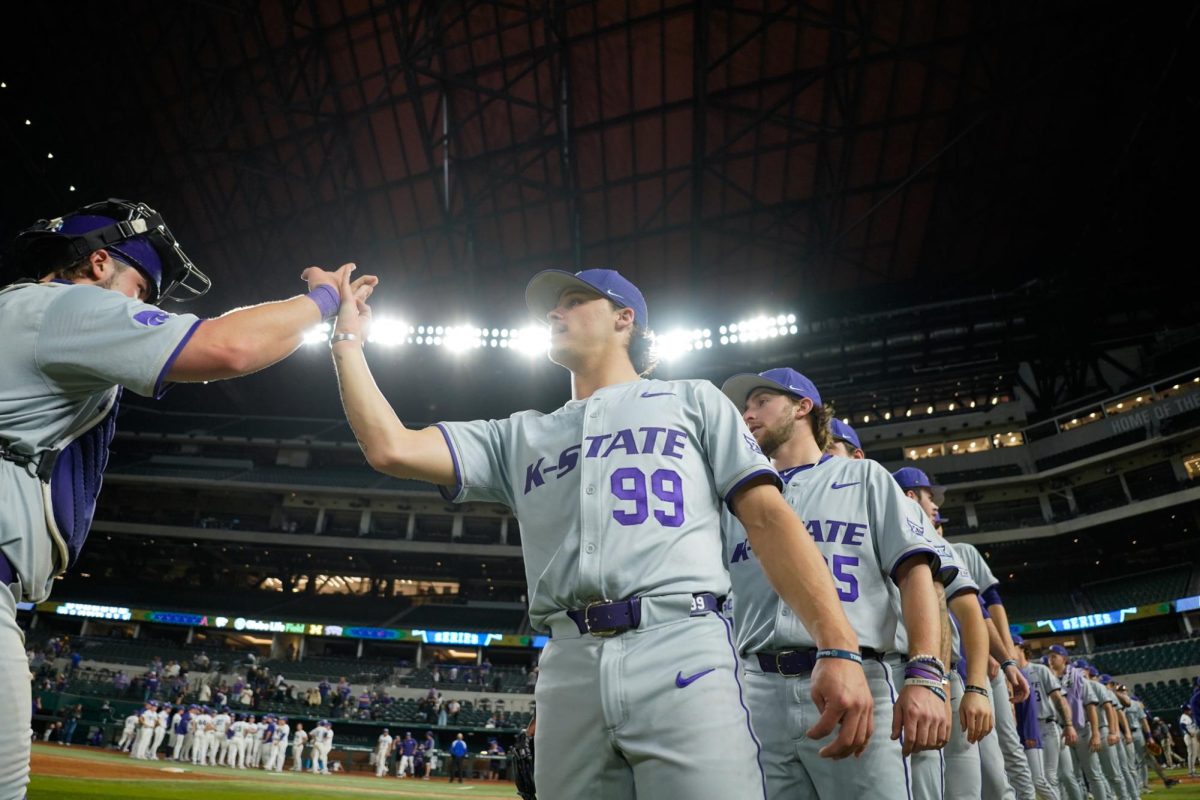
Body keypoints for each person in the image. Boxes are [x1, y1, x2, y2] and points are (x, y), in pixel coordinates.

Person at [329, 266, 873, 799]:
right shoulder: (520, 434)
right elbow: (390, 447)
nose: (554, 312)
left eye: (572, 300)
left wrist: (839, 645)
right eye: (554, 305)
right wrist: (347, 342)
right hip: (568, 664)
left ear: (624, 318)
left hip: (681, 645)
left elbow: (769, 518)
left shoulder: (693, 400)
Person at [0, 198, 376, 799]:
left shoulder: (18, 312)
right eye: (142, 288)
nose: (145, 308)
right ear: (97, 263)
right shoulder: (62, 304)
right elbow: (228, 348)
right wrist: (324, 299)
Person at [718, 369, 963, 798]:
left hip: (858, 676)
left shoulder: (865, 476)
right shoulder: (738, 500)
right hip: (755, 688)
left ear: (802, 406)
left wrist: (925, 675)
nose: (747, 414)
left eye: (760, 402)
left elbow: (917, 574)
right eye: (745, 407)